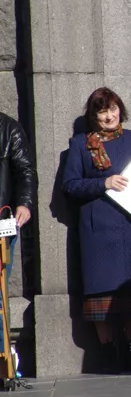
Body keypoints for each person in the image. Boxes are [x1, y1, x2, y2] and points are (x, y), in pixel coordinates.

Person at [62, 87, 131, 372]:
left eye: (113, 109)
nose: (109, 116)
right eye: (103, 111)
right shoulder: (80, 144)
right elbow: (70, 186)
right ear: (93, 115)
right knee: (100, 293)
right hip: (98, 230)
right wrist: (104, 183)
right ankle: (105, 353)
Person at [0, 112, 37, 354]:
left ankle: (1, 356)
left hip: (1, 222)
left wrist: (24, 203)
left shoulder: (8, 127)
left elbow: (25, 169)